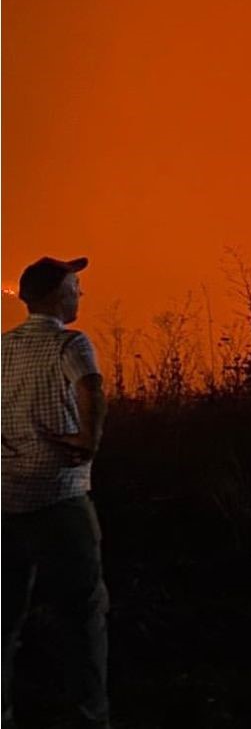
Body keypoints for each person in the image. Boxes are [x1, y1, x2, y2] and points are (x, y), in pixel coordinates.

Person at [2, 256, 110, 729]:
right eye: (75, 286)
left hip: (6, 502)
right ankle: (90, 719)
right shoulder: (72, 342)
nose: (80, 294)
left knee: (5, 621)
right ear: (55, 295)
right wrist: (88, 440)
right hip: (61, 500)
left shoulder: (2, 349)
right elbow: (92, 387)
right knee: (83, 615)